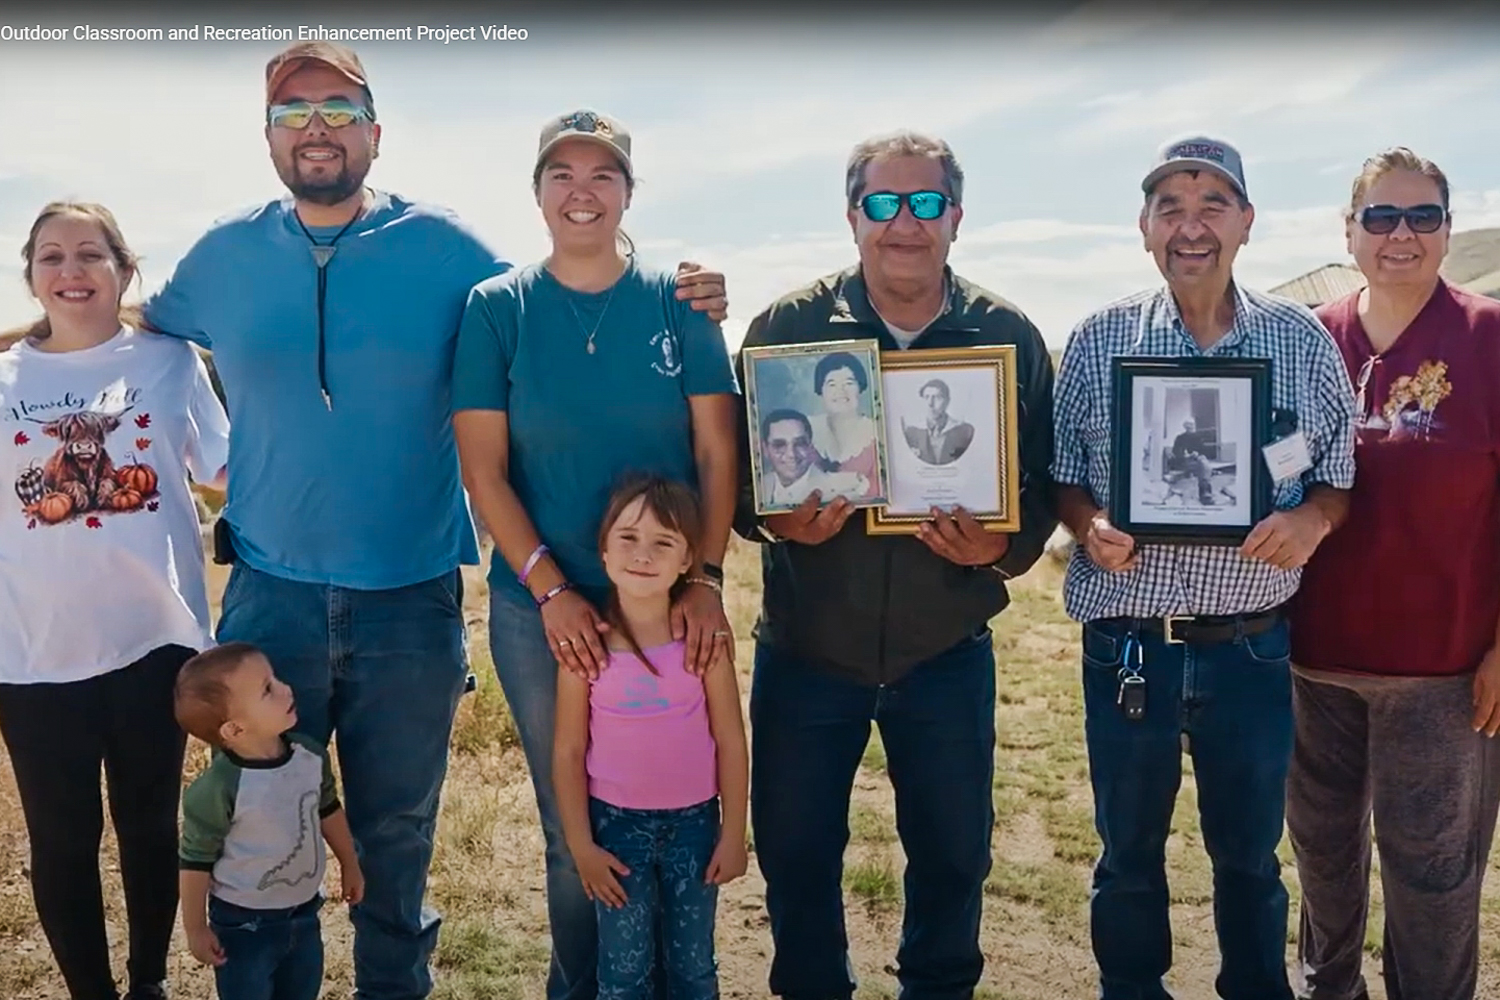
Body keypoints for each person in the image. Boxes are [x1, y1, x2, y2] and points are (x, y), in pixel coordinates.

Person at [139, 44, 728, 998]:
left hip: (408, 599)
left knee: (396, 838)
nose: (316, 127)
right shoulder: (219, 257)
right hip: (267, 600)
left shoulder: (451, 251)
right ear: (267, 137)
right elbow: (132, 327)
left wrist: (692, 298)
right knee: (262, 828)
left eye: (337, 107)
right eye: (293, 113)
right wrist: (32, 329)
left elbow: (566, 292)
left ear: (375, 130)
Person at [732, 129, 1057, 1000]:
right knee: (797, 860)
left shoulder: (1006, 335)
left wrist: (1005, 551)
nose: (903, 223)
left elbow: (1045, 481)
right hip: (808, 652)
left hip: (944, 649)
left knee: (954, 857)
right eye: (883, 203)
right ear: (852, 215)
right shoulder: (787, 328)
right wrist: (777, 523)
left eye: (924, 203)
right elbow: (739, 488)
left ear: (955, 216)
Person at [1050, 134, 1358, 1000]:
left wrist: (1310, 520)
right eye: (1170, 208)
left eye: (1212, 205)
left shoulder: (1300, 341)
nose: (1191, 226)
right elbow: (1062, 475)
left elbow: (1339, 479)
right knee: (1127, 857)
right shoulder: (1100, 338)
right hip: (1130, 646)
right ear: (1144, 228)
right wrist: (1092, 522)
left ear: (1247, 222)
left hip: (1249, 649)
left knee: (1251, 861)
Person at [451, 108, 738, 1000]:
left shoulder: (677, 303)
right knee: (571, 820)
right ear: (537, 192)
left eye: (603, 175)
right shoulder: (497, 308)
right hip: (541, 610)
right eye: (562, 175)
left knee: (685, 807)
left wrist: (708, 579)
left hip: (665, 602)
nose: (583, 192)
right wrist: (551, 591)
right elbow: (483, 470)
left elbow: (718, 452)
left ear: (627, 193)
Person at [1285, 147, 1500, 1000]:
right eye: (1381, 217)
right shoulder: (1308, 338)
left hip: (1444, 675)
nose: (1400, 235)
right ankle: (1325, 990)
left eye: (1422, 217)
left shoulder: (1488, 338)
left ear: (1448, 229)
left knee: (1435, 883)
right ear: (1349, 231)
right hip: (1310, 659)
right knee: (1321, 864)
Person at [0, 201, 229, 1000]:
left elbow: (230, 470)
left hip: (153, 643)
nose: (71, 271)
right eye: (52, 256)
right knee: (61, 840)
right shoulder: (1, 383)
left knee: (148, 826)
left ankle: (147, 984)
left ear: (124, 270)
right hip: (31, 654)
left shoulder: (171, 361)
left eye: (90, 254)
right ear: (30, 274)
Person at [552, 476, 749, 999]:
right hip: (616, 832)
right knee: (623, 973)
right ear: (604, 549)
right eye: (629, 538)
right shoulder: (586, 648)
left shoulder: (705, 643)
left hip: (695, 828)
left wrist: (733, 834)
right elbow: (568, 751)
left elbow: (731, 739)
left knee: (693, 970)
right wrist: (581, 845)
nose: (643, 554)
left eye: (664, 542)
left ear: (689, 559)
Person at [175, 642, 364, 1000]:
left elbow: (328, 810)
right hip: (243, 927)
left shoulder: (310, 756)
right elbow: (195, 862)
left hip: (305, 913)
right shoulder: (218, 789)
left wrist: (350, 863)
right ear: (234, 730)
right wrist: (196, 927)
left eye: (275, 679)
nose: (285, 688)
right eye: (267, 689)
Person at [760, 408, 870, 507]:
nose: (791, 454)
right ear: (765, 449)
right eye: (779, 445)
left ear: (810, 446)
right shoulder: (760, 488)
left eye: (800, 443)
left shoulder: (844, 489)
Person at [807, 350, 880, 495]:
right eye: (831, 384)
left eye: (849, 383)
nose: (840, 391)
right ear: (820, 390)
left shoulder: (876, 432)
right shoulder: (807, 429)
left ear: (860, 388)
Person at [901, 377, 974, 466]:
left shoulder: (964, 432)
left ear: (947, 401)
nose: (930, 403)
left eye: (937, 397)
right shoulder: (911, 433)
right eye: (926, 397)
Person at [1169, 418, 1216, 503]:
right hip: (1184, 461)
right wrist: (1184, 455)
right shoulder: (1180, 438)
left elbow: (1204, 450)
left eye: (1192, 424)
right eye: (1189, 425)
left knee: (1204, 463)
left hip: (1197, 459)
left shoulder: (1198, 437)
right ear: (1185, 426)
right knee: (1203, 466)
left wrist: (1197, 453)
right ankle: (1205, 492)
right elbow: (1175, 452)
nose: (1191, 426)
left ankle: (1205, 492)